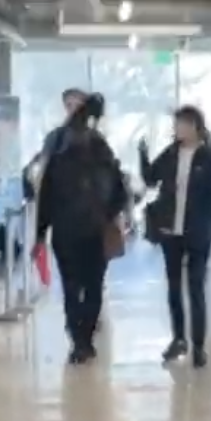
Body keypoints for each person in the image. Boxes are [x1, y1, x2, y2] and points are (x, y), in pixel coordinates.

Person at [35, 93, 129, 365]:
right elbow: (119, 191)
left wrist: (41, 232)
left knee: (71, 286)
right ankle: (83, 338)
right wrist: (108, 215)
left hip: (66, 231)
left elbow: (46, 196)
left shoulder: (58, 149)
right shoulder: (102, 151)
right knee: (93, 285)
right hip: (94, 230)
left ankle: (79, 338)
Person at [143, 106, 211, 367]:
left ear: (195, 126)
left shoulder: (210, 157)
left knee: (195, 287)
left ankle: (198, 345)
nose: (177, 129)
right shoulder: (171, 153)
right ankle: (178, 338)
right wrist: (142, 155)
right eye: (176, 124)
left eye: (181, 124)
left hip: (198, 230)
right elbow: (151, 178)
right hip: (171, 230)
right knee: (173, 287)